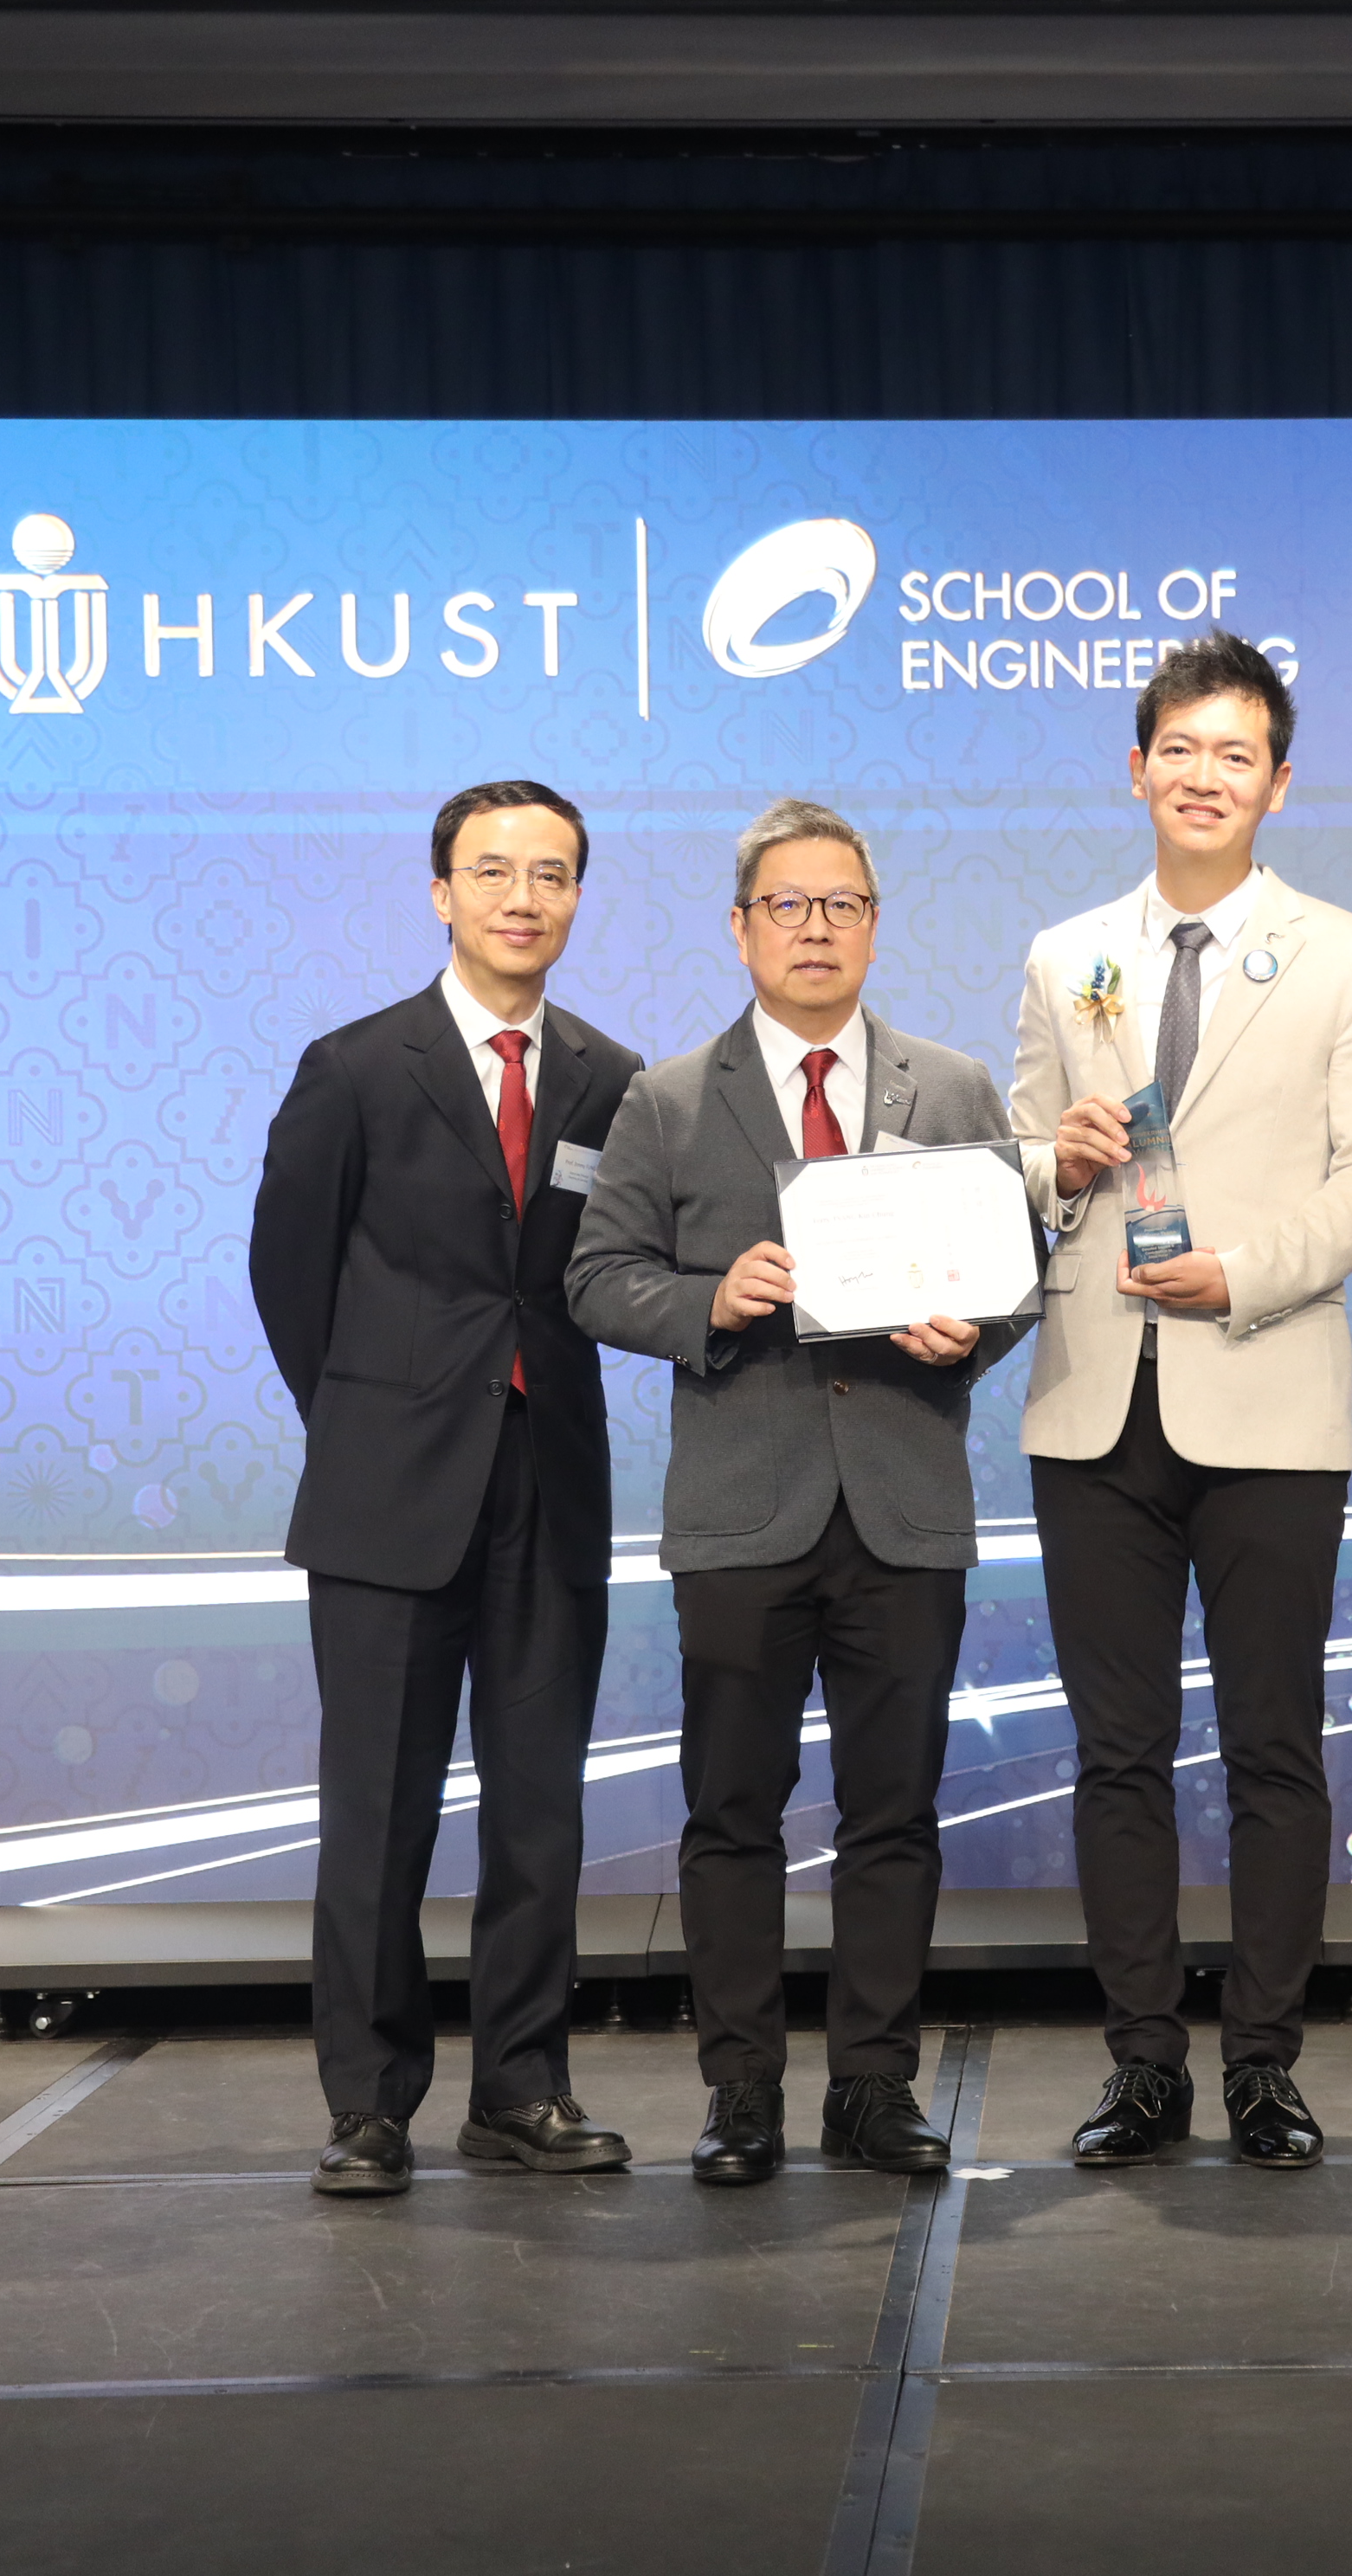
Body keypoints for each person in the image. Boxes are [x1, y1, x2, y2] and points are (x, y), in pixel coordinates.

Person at [568, 800, 1032, 2185]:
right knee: (734, 1815)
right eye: (788, 904)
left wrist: (972, 1331)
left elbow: (1013, 1272)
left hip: (904, 1504)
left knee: (895, 1814)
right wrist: (712, 1299)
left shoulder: (951, 1088)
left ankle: (875, 2087)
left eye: (842, 904)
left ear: (874, 926)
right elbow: (598, 1279)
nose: (815, 928)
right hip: (740, 1511)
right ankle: (743, 2092)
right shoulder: (667, 1097)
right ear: (741, 927)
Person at [1010, 633, 1352, 2170]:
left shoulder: (1348, 955)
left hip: (1265, 1394)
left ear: (1277, 784)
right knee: (1116, 1755)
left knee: (1273, 1749)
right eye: (1178, 750)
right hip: (1093, 1407)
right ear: (1138, 770)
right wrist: (1054, 1163)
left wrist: (1245, 1272)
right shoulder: (1066, 954)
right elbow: (1023, 1160)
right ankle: (1142, 2063)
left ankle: (1262, 2063)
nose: (1204, 777)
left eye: (1234, 755)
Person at [251, 779, 642, 2199]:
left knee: (541, 1812)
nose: (522, 899)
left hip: (551, 1485)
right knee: (379, 1814)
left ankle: (521, 2091)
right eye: (493, 872)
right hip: (387, 1494)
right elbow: (289, 1275)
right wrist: (371, 1419)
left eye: (551, 875)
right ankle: (368, 2105)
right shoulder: (358, 1066)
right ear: (441, 893)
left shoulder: (612, 1078)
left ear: (577, 897)